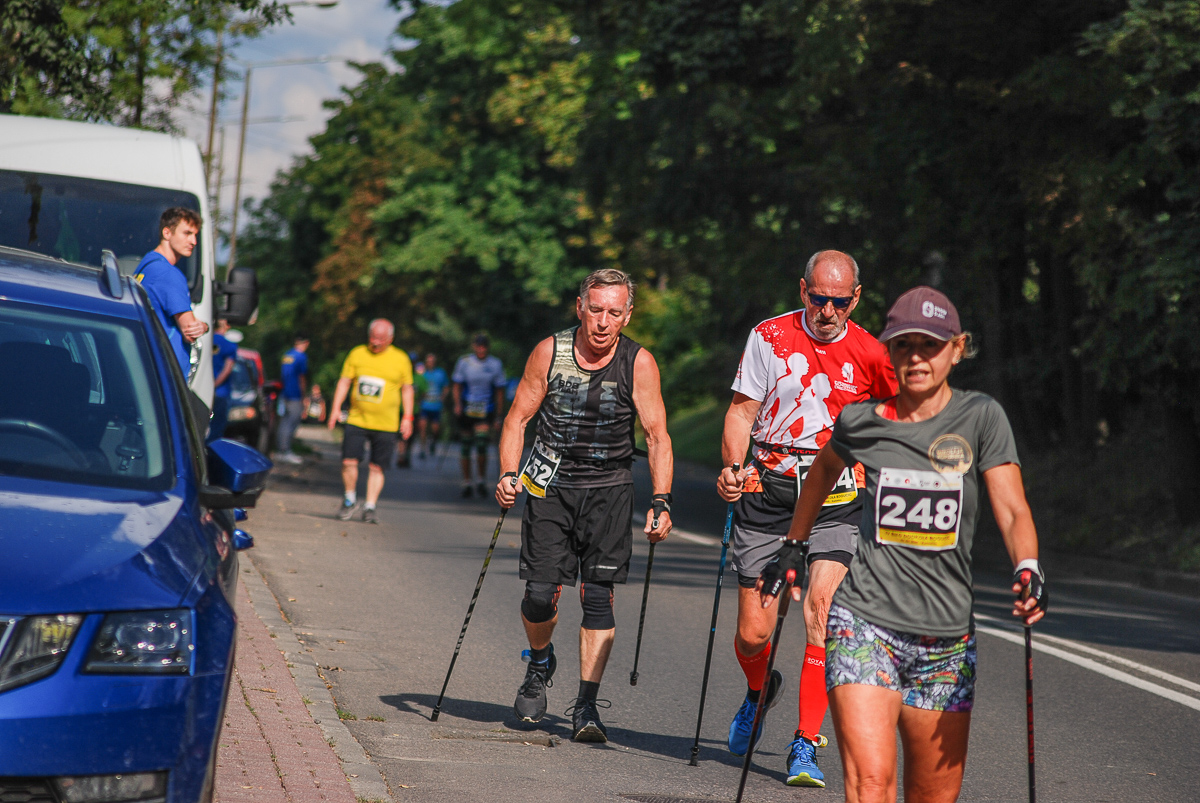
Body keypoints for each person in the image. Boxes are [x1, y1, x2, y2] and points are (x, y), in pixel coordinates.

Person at [761, 286, 1047, 803]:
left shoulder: (981, 418)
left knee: (931, 793)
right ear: (888, 351)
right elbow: (824, 471)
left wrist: (1028, 565)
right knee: (871, 782)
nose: (916, 357)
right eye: (903, 345)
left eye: (930, 345)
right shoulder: (862, 420)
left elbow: (1011, 507)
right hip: (864, 622)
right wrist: (793, 546)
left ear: (957, 349)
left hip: (946, 637)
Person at [715, 250, 896, 787]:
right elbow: (741, 412)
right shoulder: (768, 337)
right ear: (803, 291)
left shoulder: (870, 353)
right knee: (753, 633)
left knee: (822, 611)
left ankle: (804, 743)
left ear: (855, 300)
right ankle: (757, 691)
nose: (827, 310)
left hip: (837, 499)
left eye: (839, 302)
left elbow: (892, 425)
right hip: (769, 491)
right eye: (818, 298)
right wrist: (731, 468)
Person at [495, 269, 674, 743]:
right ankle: (539, 663)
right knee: (539, 593)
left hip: (610, 490)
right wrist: (509, 475)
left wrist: (661, 500)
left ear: (627, 315)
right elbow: (518, 418)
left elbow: (657, 435)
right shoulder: (549, 352)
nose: (603, 322)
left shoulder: (638, 362)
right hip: (548, 485)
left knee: (597, 597)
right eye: (595, 310)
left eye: (614, 313)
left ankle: (587, 706)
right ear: (580, 307)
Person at [326, 320, 414, 524]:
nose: (375, 343)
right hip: (357, 419)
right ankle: (349, 499)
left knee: (377, 467)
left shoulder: (400, 359)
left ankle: (370, 506)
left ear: (390, 339)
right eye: (372, 337)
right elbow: (344, 381)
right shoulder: (357, 353)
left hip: (386, 423)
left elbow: (407, 389)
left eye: (380, 339)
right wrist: (335, 409)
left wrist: (408, 417)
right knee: (348, 461)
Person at [134, 207, 208, 375]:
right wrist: (204, 326)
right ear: (167, 233)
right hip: (166, 372)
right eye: (187, 233)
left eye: (195, 235)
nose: (193, 241)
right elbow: (189, 331)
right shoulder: (168, 274)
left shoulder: (146, 265)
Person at [452, 335, 506, 497]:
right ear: (474, 347)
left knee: (481, 444)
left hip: (485, 409)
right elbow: (457, 385)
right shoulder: (465, 362)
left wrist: (498, 415)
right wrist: (457, 405)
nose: (481, 349)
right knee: (466, 445)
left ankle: (481, 479)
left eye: (484, 346)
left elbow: (500, 391)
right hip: (467, 408)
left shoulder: (495, 364)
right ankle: (467, 481)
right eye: (478, 346)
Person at [276, 335, 311, 464]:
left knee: (284, 422)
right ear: (306, 343)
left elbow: (283, 375)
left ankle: (281, 449)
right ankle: (285, 451)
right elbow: (302, 377)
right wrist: (303, 396)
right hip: (295, 394)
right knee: (292, 423)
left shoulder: (287, 355)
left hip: (285, 393)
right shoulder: (301, 357)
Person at [207, 319, 237, 442]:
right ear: (227, 326)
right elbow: (227, 370)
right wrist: (214, 385)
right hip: (220, 392)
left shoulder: (205, 341)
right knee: (217, 427)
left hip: (200, 390)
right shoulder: (230, 346)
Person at [416, 353, 449, 459]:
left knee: (435, 429)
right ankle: (422, 449)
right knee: (423, 428)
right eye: (428, 361)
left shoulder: (440, 373)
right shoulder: (422, 373)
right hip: (424, 406)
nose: (430, 363)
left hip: (436, 406)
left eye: (432, 361)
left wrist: (443, 397)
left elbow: (446, 387)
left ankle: (433, 442)